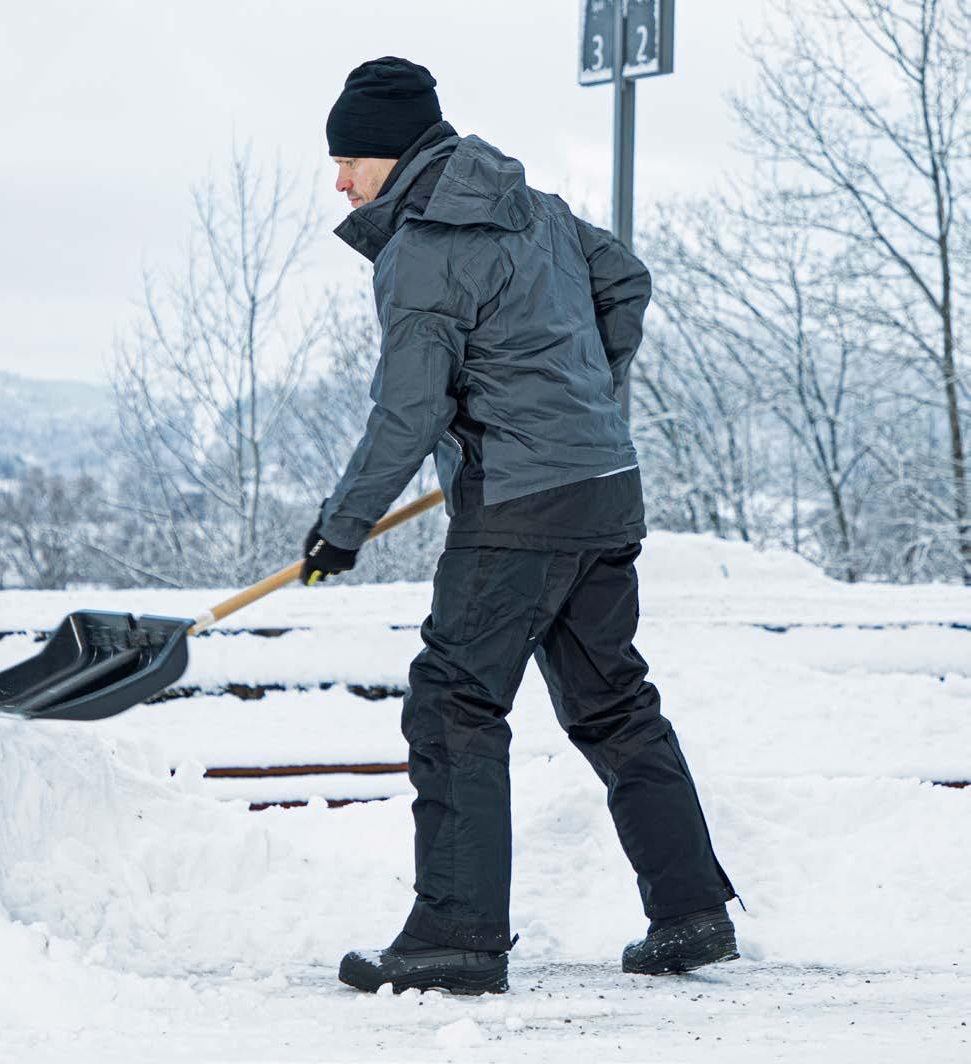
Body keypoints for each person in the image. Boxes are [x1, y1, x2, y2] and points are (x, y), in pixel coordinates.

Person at [301, 56, 738, 995]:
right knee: (614, 702)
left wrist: (344, 524)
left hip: (519, 507)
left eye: (348, 160)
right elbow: (625, 280)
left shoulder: (424, 247)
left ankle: (457, 935)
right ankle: (691, 910)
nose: (339, 182)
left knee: (453, 700)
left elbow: (408, 411)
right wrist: (582, 403)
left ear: (392, 153)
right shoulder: (536, 209)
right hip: (603, 489)